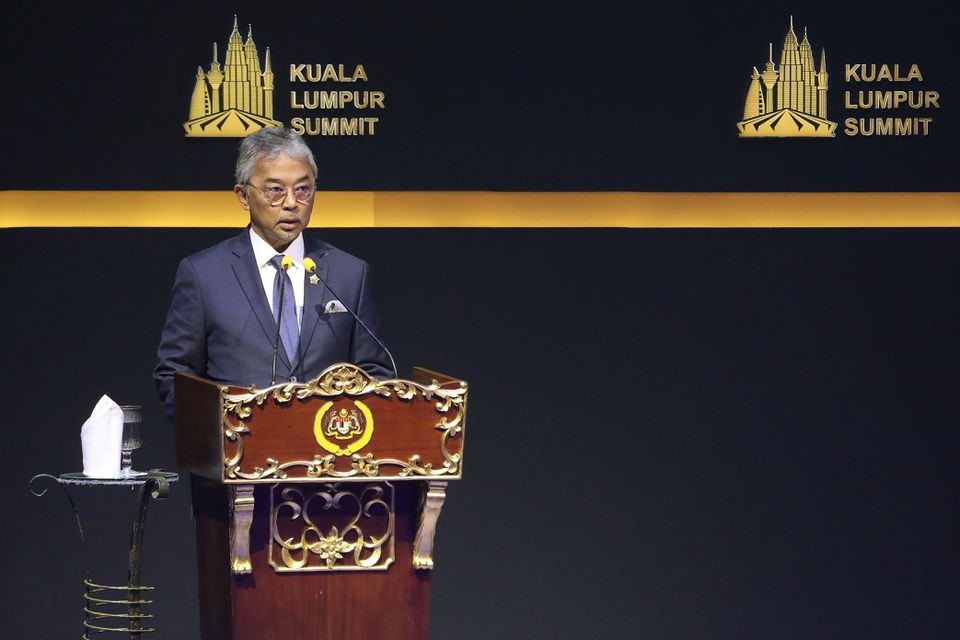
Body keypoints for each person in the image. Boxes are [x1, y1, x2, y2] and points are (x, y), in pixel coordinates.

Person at [154, 127, 392, 421]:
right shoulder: (203, 275)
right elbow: (175, 378)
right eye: (275, 190)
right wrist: (222, 434)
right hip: (236, 456)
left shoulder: (349, 274)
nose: (292, 203)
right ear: (243, 196)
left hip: (328, 457)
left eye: (303, 189)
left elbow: (375, 374)